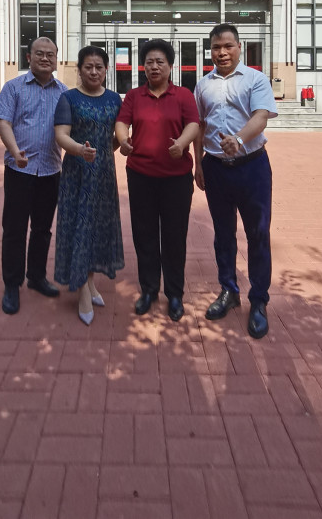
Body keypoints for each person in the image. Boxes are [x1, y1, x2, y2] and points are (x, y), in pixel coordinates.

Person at [194, 23, 278, 339]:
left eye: (228, 46)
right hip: (216, 168)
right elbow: (199, 125)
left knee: (258, 233)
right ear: (210, 51)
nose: (222, 52)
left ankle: (259, 300)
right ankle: (228, 289)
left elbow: (261, 116)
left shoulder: (255, 79)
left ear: (239, 47)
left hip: (252, 167)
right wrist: (198, 164)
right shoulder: (203, 85)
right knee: (223, 234)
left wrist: (239, 139)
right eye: (216, 47)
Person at [115, 39, 200, 322]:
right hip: (141, 176)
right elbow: (122, 122)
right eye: (149, 62)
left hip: (176, 179)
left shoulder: (183, 95)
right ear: (143, 66)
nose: (154, 66)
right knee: (145, 235)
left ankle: (174, 293)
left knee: (174, 237)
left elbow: (193, 124)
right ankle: (149, 289)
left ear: (170, 65)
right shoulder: (134, 96)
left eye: (160, 62)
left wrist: (182, 144)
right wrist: (123, 140)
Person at [0, 37, 68, 315]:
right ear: (28, 57)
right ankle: (12, 284)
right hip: (19, 170)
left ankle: (36, 276)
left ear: (56, 59)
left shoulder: (64, 92)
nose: (45, 58)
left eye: (50, 54)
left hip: (50, 170)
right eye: (39, 54)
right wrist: (15, 151)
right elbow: (4, 122)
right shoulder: (14, 87)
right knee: (14, 229)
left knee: (43, 228)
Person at [53, 46, 124, 325]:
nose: (94, 72)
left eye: (99, 67)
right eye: (88, 67)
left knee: (96, 229)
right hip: (77, 174)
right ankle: (82, 289)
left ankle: (91, 282)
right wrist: (80, 151)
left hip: (104, 174)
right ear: (80, 70)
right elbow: (61, 135)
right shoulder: (68, 98)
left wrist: (115, 147)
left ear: (106, 70)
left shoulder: (114, 99)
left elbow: (115, 137)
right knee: (79, 228)